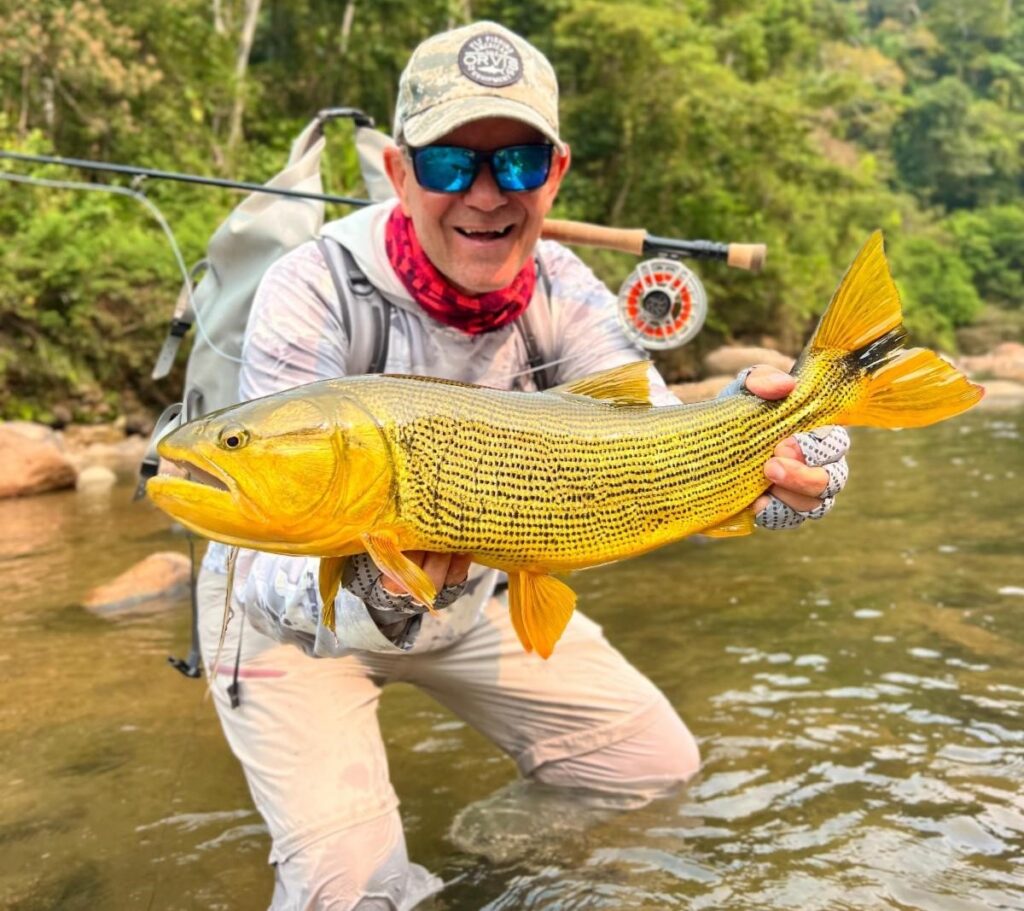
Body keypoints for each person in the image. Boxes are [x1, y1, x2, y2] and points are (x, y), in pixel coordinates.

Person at [191, 21, 851, 910]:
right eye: (450, 166)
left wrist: (763, 460)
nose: (488, 195)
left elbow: (651, 443)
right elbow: (266, 559)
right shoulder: (310, 287)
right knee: (352, 890)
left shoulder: (567, 290)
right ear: (397, 171)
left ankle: (487, 857)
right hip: (291, 613)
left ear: (557, 172)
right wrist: (378, 591)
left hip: (477, 583)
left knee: (654, 771)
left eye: (519, 163)